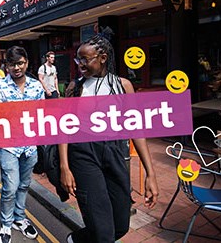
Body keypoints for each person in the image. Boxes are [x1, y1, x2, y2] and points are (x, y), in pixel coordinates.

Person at [59, 35, 158, 243]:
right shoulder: (74, 88)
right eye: (78, 60)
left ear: (103, 57)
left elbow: (136, 130)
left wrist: (151, 174)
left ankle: (76, 239)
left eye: (85, 59)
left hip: (114, 153)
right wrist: (64, 167)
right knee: (104, 233)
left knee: (120, 226)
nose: (80, 65)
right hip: (84, 154)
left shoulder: (123, 86)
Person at [0, 46, 44, 243]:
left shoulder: (36, 86)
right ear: (7, 66)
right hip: (8, 146)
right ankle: (6, 223)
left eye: (20, 63)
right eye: (12, 64)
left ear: (26, 63)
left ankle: (19, 218)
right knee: (10, 187)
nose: (16, 67)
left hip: (30, 145)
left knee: (24, 184)